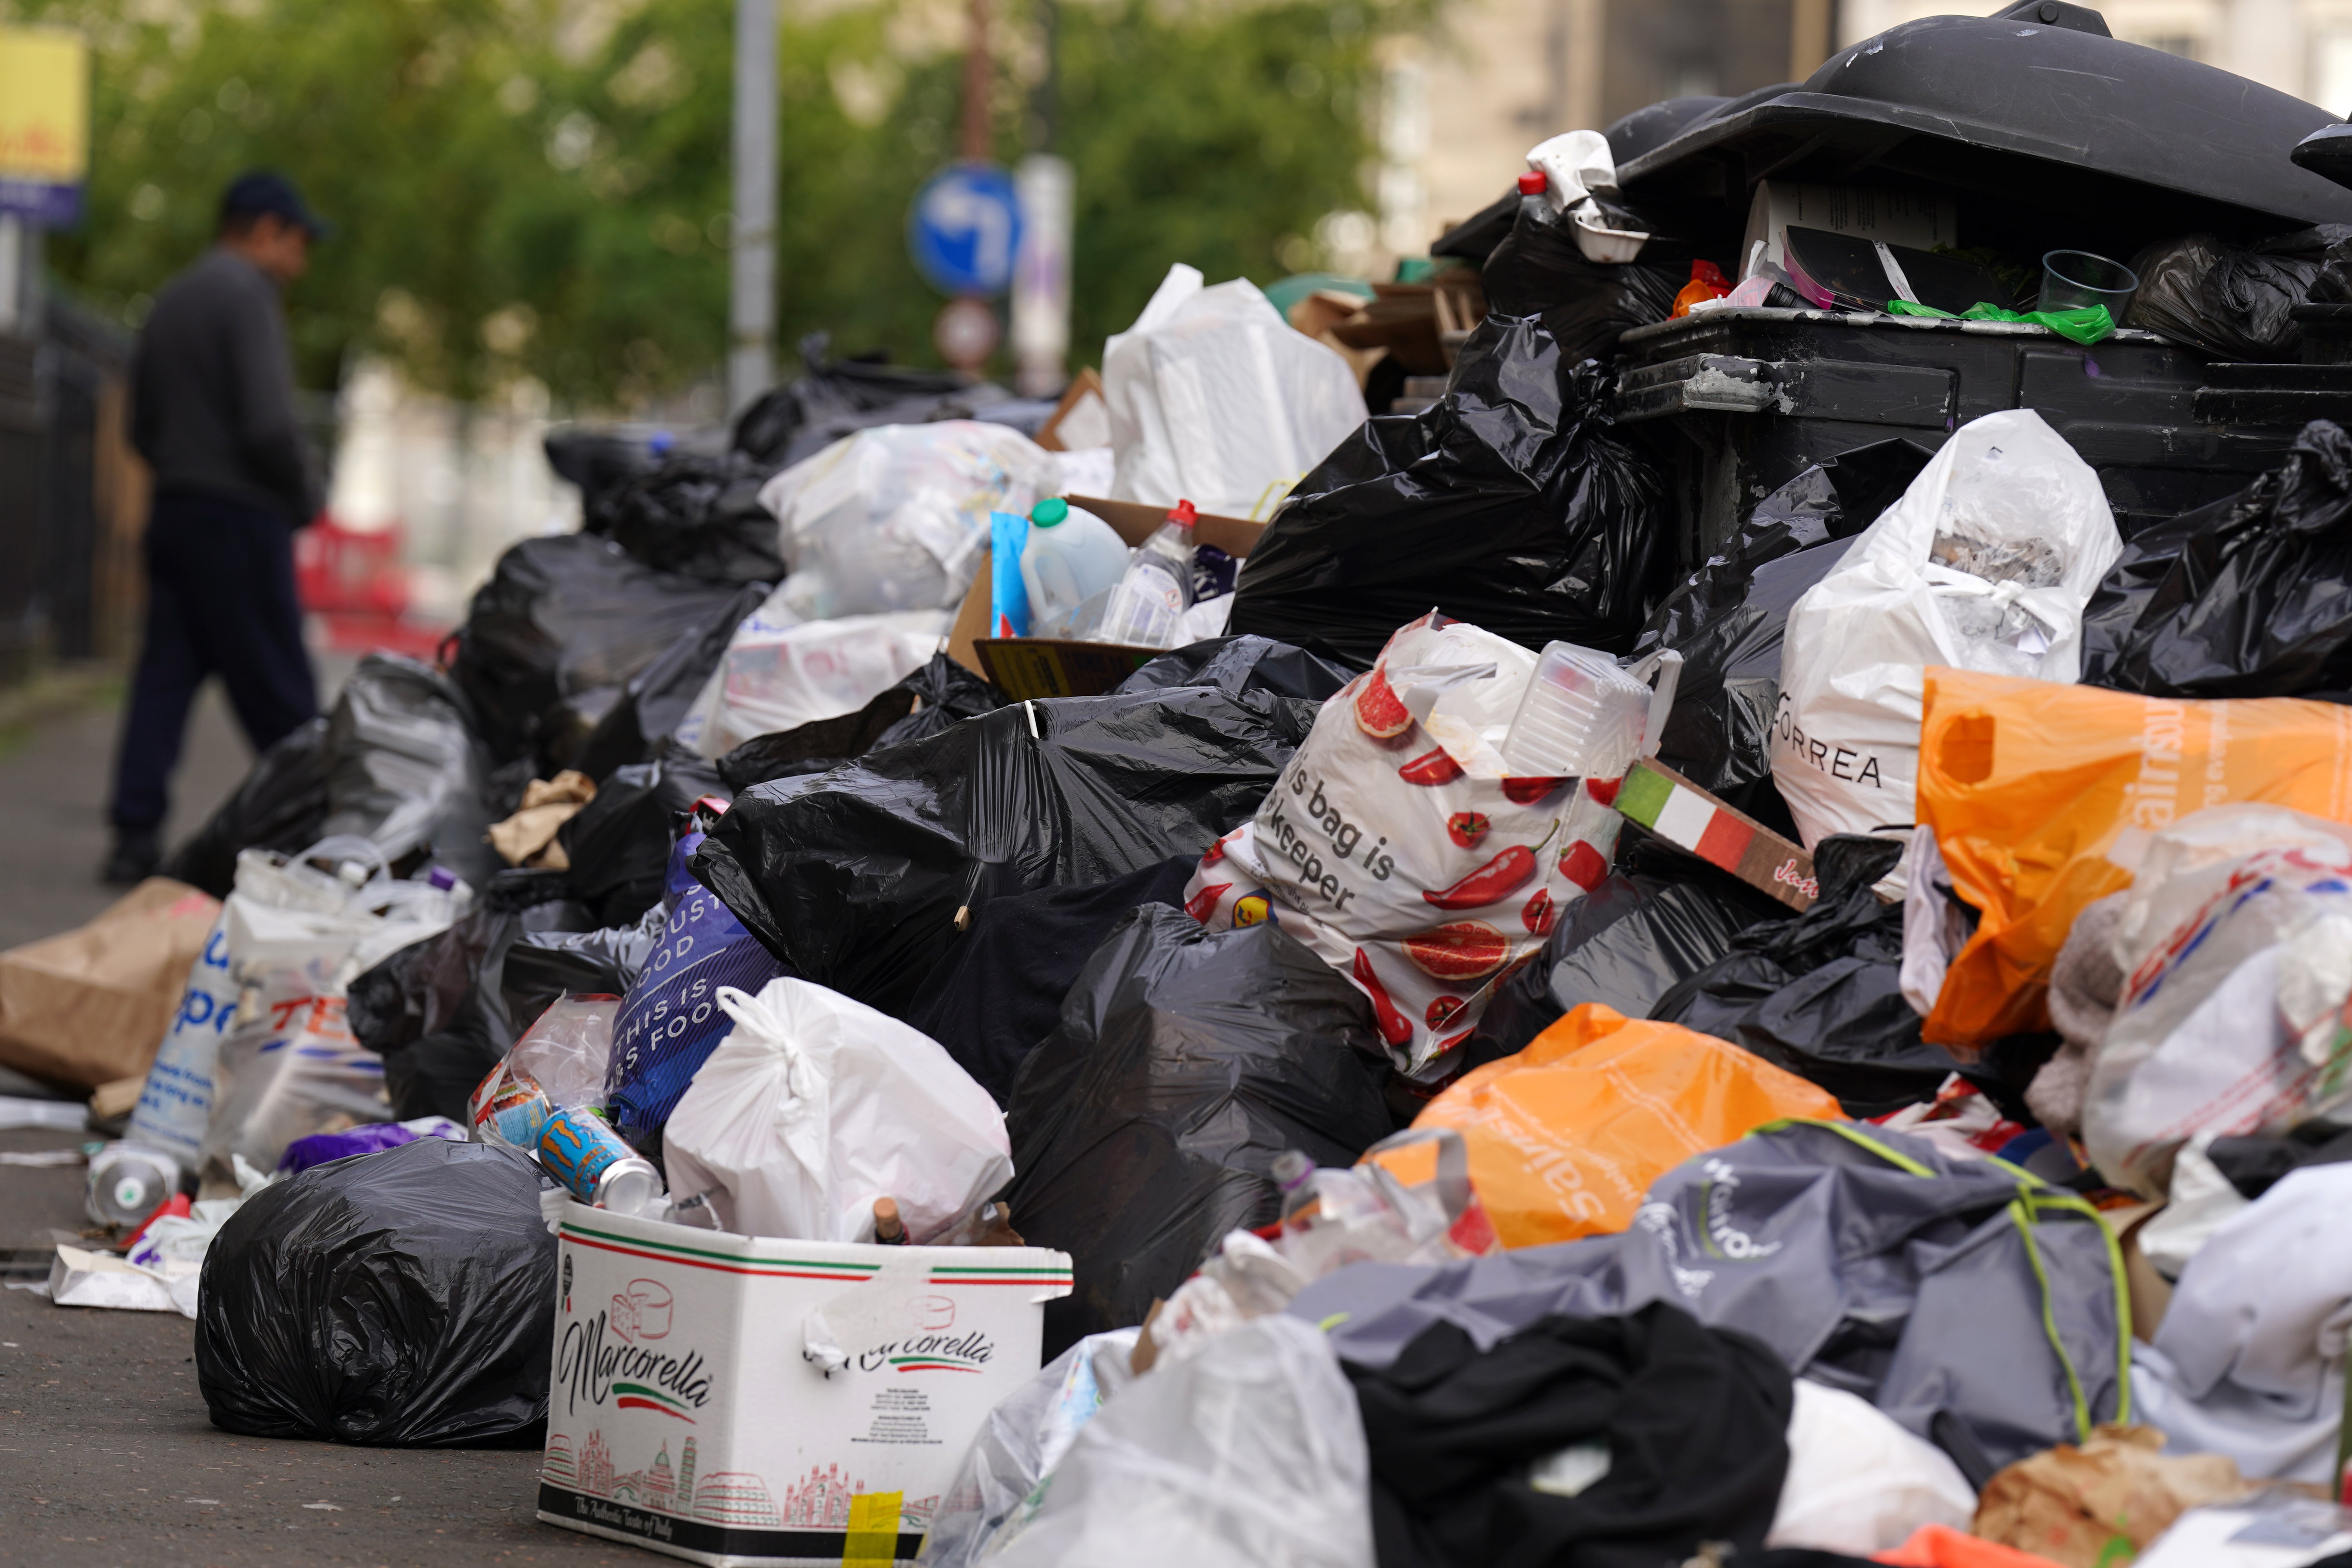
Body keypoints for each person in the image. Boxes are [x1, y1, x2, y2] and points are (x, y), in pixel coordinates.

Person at [103, 171, 330, 885]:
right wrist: (305, 492)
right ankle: (325, 825)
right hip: (240, 517)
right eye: (298, 242)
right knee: (280, 687)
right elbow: (268, 424)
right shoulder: (248, 297)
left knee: (164, 680)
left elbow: (140, 426)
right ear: (264, 229)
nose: (301, 261)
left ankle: (132, 837)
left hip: (175, 509)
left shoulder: (172, 300)